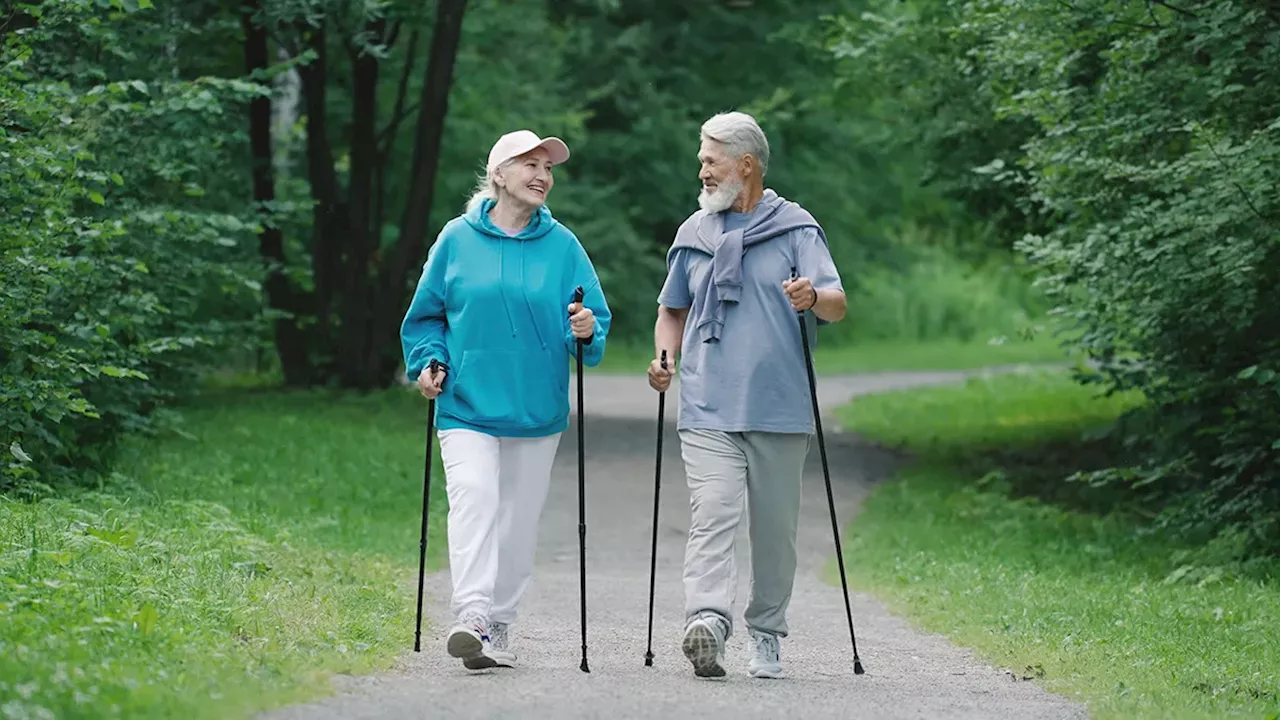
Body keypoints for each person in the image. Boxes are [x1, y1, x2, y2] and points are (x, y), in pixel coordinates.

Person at [400, 129, 612, 671]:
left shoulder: (563, 246)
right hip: (466, 401)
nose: (543, 174)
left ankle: (499, 623)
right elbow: (426, 316)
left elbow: (592, 324)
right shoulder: (456, 238)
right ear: (498, 175)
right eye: (530, 164)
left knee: (518, 520)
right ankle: (471, 615)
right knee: (474, 495)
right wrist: (428, 361)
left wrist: (585, 329)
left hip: (535, 408)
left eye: (548, 167)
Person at [647, 111, 847, 680]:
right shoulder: (695, 233)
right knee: (712, 513)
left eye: (711, 160)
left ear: (746, 165)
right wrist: (665, 359)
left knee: (774, 532)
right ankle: (707, 620)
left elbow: (836, 303)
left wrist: (812, 297)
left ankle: (766, 632)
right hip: (708, 402)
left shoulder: (796, 230)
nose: (703, 170)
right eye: (702, 161)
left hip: (779, 406)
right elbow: (672, 310)